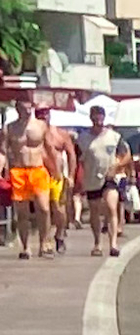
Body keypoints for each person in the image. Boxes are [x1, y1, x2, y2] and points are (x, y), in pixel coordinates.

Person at [75, 103, 125, 258]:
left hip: (109, 178)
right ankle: (97, 243)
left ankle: (114, 244)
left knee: (111, 207)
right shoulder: (83, 139)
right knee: (95, 211)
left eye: (100, 116)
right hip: (91, 178)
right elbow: (77, 158)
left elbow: (126, 154)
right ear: (91, 118)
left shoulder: (114, 137)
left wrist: (117, 166)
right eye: (95, 117)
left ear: (104, 118)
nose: (98, 120)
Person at [8, 103, 47, 259]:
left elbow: (49, 148)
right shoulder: (10, 128)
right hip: (19, 171)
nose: (28, 110)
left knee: (43, 209)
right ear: (18, 108)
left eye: (30, 106)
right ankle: (25, 247)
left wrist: (59, 170)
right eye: (24, 107)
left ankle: (44, 243)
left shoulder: (41, 126)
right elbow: (3, 151)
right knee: (22, 212)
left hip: (38, 169)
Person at [38, 106, 75, 254]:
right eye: (39, 114)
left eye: (45, 113)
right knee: (44, 209)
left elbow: (71, 154)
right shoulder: (34, 134)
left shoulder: (60, 134)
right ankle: (45, 240)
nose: (42, 117)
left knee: (58, 208)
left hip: (58, 176)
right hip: (40, 174)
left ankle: (59, 234)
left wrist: (71, 175)